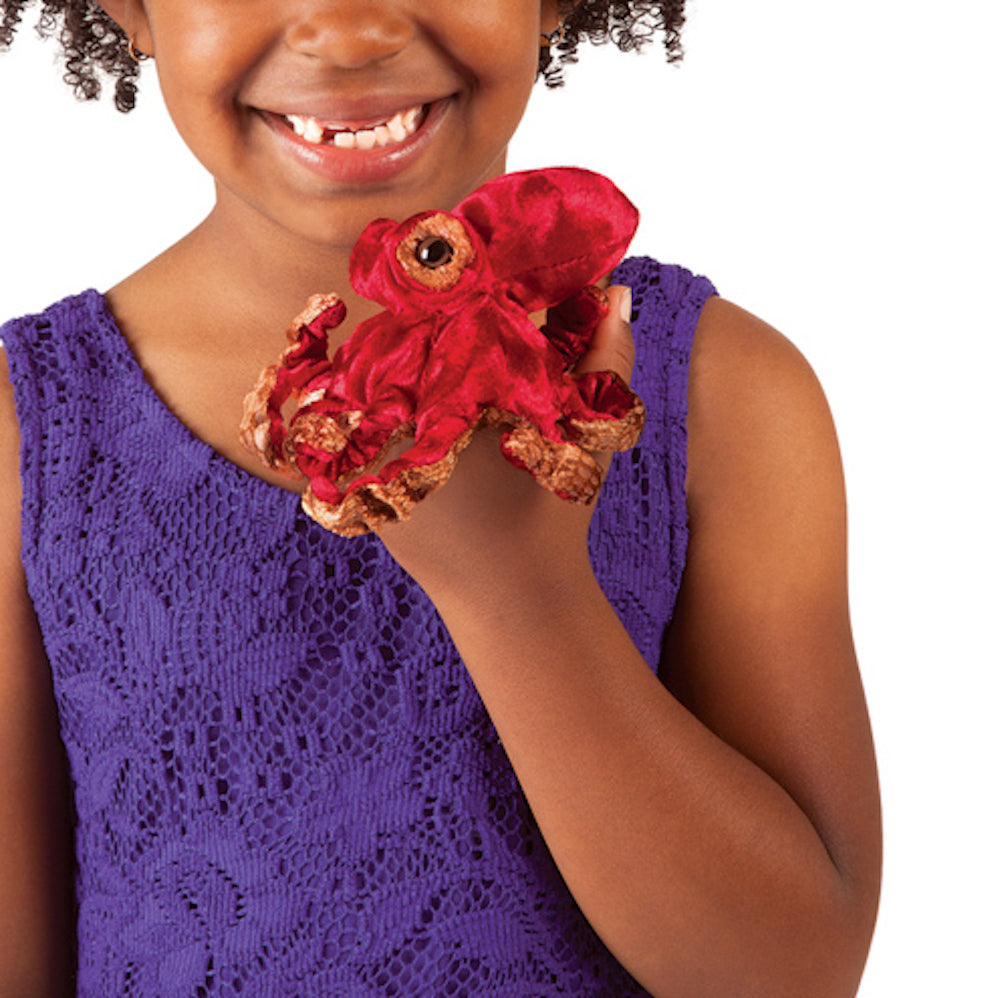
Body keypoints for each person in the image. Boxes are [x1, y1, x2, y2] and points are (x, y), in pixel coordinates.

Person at [0, 1, 882, 996]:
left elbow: (796, 972)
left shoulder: (719, 394)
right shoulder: (33, 433)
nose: (348, 32)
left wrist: (519, 591)